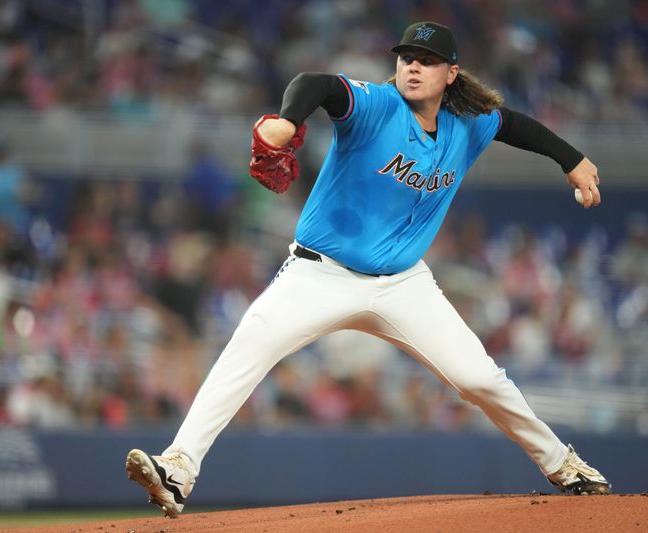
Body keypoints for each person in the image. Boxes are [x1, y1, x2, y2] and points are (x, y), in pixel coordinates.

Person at [125, 21, 610, 518]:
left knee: (480, 379)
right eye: (406, 58)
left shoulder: (469, 123)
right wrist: (290, 120)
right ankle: (178, 468)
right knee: (250, 344)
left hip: (404, 285)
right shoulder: (378, 106)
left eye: (427, 60)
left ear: (451, 73)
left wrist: (570, 158)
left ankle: (563, 465)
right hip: (320, 274)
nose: (413, 66)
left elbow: (514, 125)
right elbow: (317, 83)